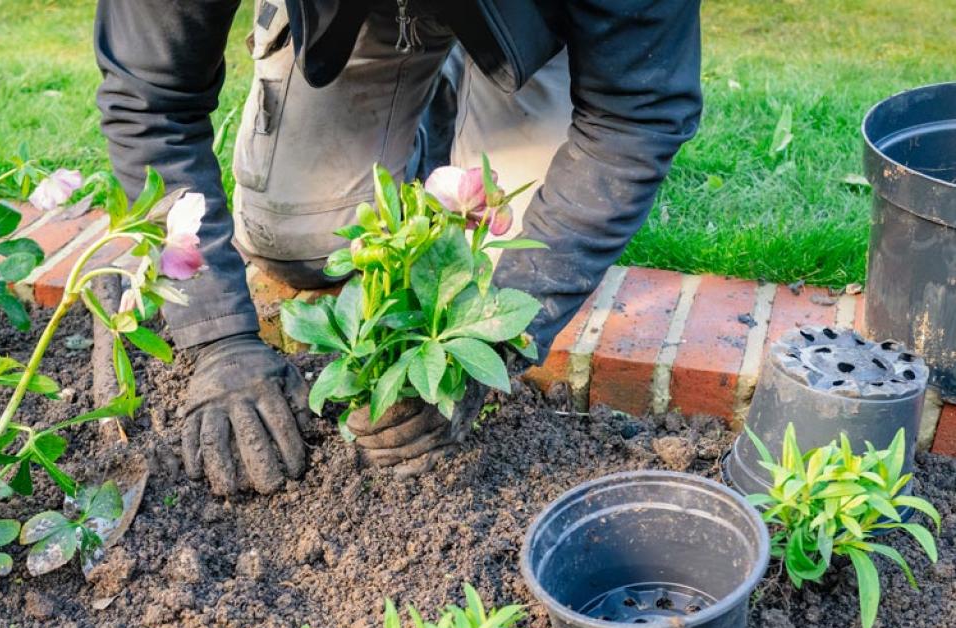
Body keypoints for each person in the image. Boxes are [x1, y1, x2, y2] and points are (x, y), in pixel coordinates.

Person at [93, 0, 702, 496]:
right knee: (296, 245)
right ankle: (422, 98)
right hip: (357, 15)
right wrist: (219, 338)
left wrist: (489, 347)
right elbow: (150, 100)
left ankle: (484, 75)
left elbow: (634, 116)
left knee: (504, 272)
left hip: (544, 29)